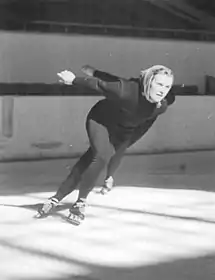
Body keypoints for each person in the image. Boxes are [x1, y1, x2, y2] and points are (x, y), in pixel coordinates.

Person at [38, 64, 175, 225]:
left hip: (123, 130)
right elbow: (102, 84)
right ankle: (80, 203)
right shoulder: (128, 91)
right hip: (101, 119)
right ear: (148, 81)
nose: (163, 90)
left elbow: (139, 130)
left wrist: (110, 173)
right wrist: (74, 79)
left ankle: (56, 198)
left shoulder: (163, 105)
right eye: (159, 84)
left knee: (91, 159)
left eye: (167, 86)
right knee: (101, 155)